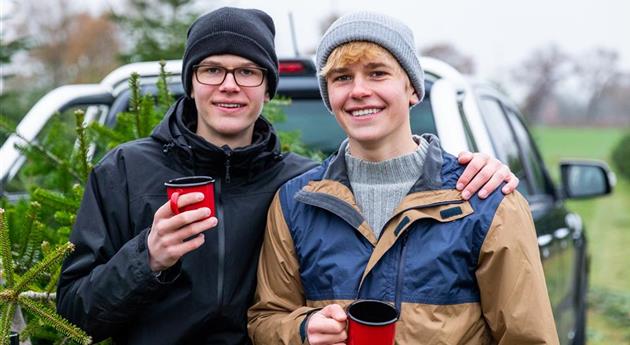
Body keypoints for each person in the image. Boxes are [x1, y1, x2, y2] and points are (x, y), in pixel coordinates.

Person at [56, 7, 518, 345]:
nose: (229, 85)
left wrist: (474, 167)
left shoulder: (299, 187)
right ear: (191, 80)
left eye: (248, 71)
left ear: (267, 85)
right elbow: (74, 314)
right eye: (212, 69)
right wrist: (148, 257)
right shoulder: (125, 171)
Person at [247, 11, 559, 345]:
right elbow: (266, 318)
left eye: (377, 73)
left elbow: (527, 338)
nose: (359, 90)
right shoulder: (295, 203)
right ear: (329, 97)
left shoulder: (486, 201)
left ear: (411, 87)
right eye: (342, 78)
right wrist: (302, 331)